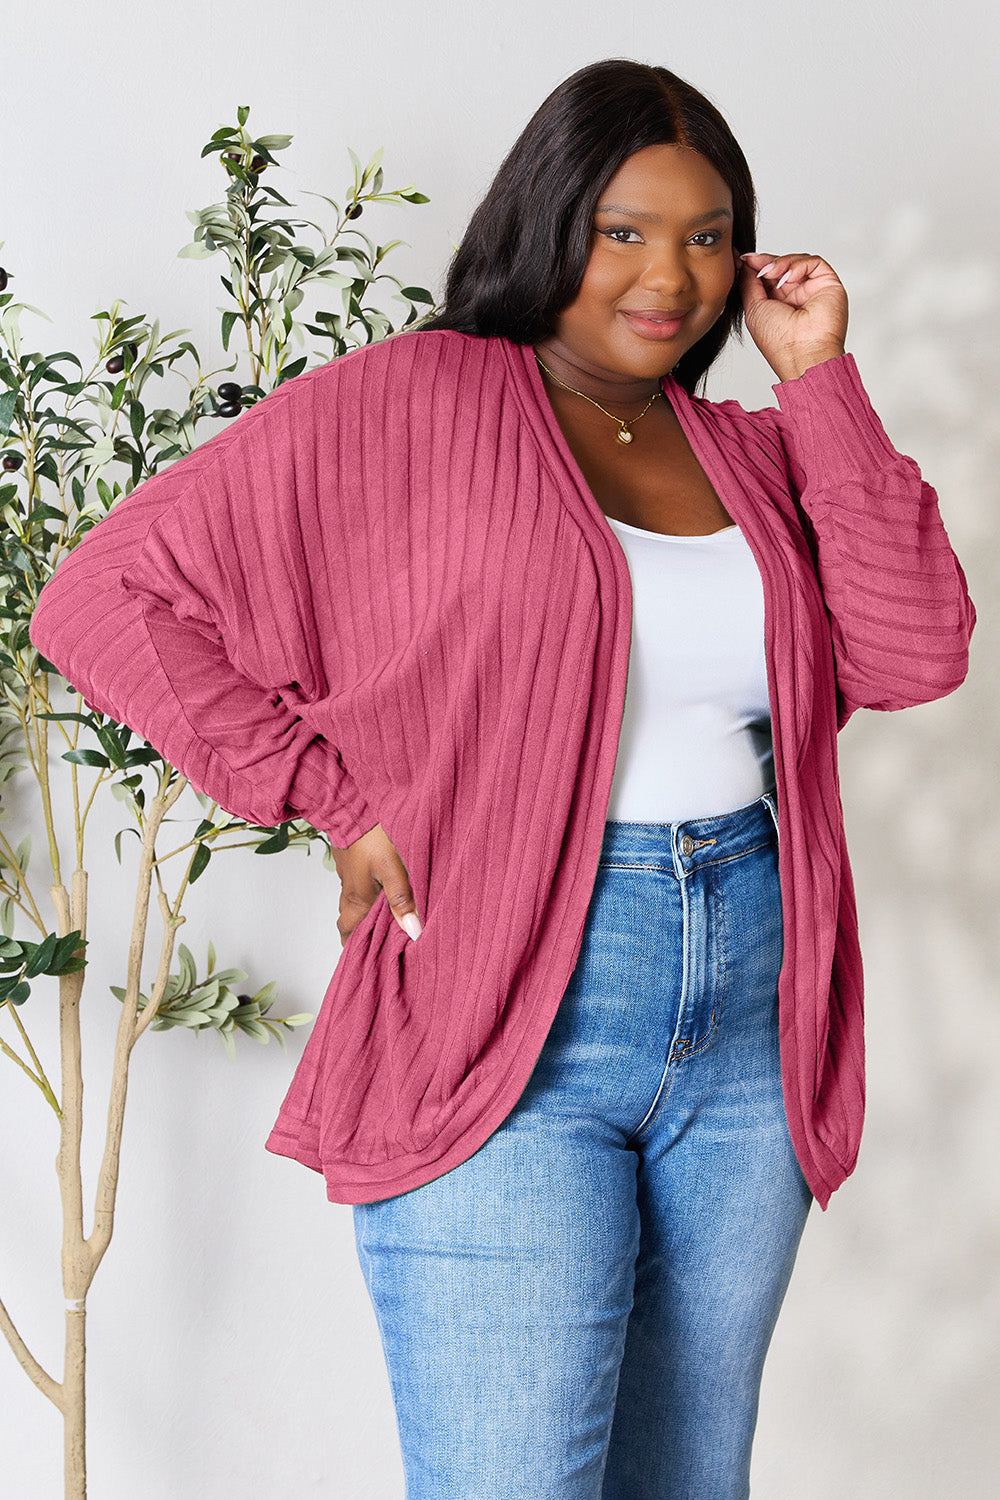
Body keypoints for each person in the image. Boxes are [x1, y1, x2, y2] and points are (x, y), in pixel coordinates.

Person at [30, 57, 975, 1500]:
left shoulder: (751, 449)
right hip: (509, 999)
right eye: (624, 231)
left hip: (747, 1008)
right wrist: (328, 794)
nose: (670, 277)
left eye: (708, 236)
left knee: (691, 1481)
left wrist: (822, 380)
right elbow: (103, 597)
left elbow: (913, 651)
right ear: (549, 224)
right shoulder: (408, 401)